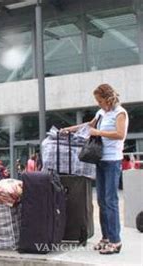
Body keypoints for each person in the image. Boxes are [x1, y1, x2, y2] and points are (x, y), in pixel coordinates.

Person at [61, 84, 128, 255]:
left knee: (111, 201)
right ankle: (106, 238)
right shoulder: (101, 113)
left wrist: (98, 133)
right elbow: (88, 126)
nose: (98, 103)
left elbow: (120, 134)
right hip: (100, 159)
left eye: (99, 100)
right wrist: (69, 130)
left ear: (107, 99)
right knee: (101, 201)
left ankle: (115, 241)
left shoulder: (120, 113)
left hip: (113, 161)